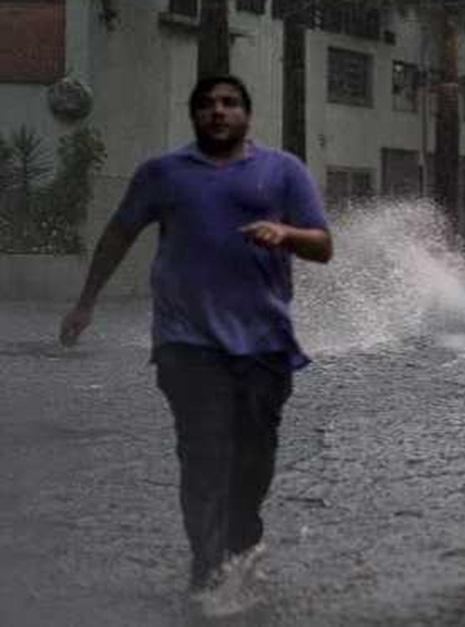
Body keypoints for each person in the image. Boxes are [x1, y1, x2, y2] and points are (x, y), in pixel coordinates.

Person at [58, 75, 333, 617]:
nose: (218, 111)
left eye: (229, 103)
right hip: (187, 344)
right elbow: (119, 234)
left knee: (252, 464)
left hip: (264, 346)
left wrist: (287, 234)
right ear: (194, 116)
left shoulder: (283, 171)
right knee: (204, 455)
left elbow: (323, 246)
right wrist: (86, 301)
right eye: (207, 104)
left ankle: (241, 546)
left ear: (246, 115)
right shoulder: (163, 175)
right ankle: (207, 571)